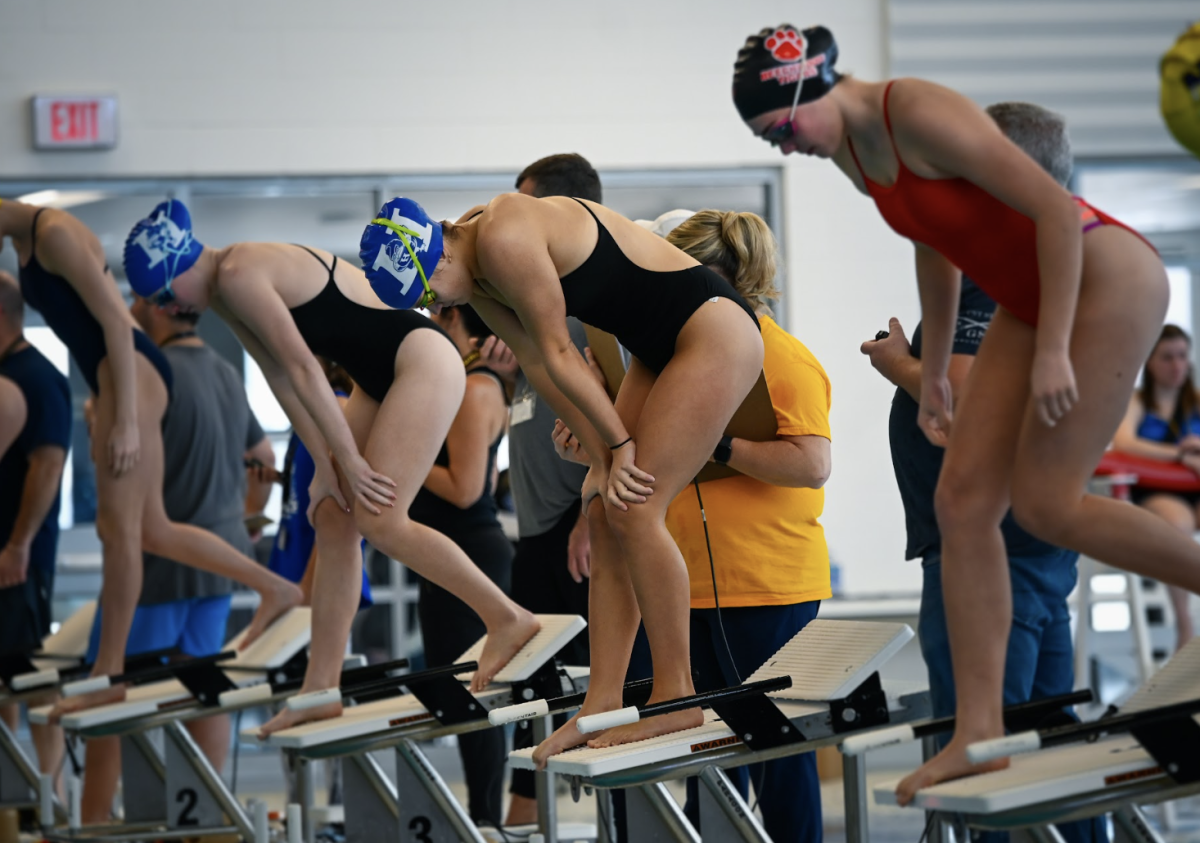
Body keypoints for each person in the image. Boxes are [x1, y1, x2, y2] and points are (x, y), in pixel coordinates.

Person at [733, 25, 1196, 801]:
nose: (783, 147)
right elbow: (935, 245)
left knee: (1048, 503)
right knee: (963, 503)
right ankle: (979, 733)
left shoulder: (912, 109)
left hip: (1099, 269)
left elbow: (1053, 209)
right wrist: (940, 368)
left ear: (812, 89)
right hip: (1026, 293)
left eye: (781, 128)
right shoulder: (857, 155)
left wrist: (1052, 351)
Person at [359, 190, 764, 764]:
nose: (432, 308)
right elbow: (538, 365)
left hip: (710, 328)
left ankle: (678, 692)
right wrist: (602, 457)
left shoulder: (503, 236)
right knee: (601, 506)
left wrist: (619, 444)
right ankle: (602, 698)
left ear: (439, 256)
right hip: (657, 346)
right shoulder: (477, 275)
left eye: (427, 293)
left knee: (637, 506)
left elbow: (561, 349)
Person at [120, 200, 539, 737]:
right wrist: (325, 463)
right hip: (378, 373)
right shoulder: (226, 289)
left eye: (163, 297)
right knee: (333, 516)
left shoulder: (239, 271)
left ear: (175, 272)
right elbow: (281, 379)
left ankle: (507, 618)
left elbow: (304, 368)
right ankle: (321, 689)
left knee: (382, 521)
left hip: (420, 358)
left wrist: (347, 460)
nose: (172, 310)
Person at [859, 97, 1107, 843]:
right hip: (1026, 533)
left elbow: (967, 410)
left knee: (988, 742)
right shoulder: (1038, 256)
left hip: (995, 542)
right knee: (1042, 729)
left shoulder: (996, 264)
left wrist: (901, 367)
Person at [555, 209, 832, 843]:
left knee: (776, 753)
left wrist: (721, 445)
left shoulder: (780, 357)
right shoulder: (665, 355)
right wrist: (594, 448)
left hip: (765, 586)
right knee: (705, 757)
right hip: (683, 588)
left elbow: (813, 464)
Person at [0, 198, 302, 722]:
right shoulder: (26, 237)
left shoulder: (55, 232)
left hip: (130, 373)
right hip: (118, 376)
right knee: (153, 530)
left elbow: (118, 324)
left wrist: (126, 421)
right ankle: (275, 587)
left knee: (119, 533)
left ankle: (107, 676)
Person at [75, 293, 278, 822]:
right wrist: (243, 519)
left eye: (140, 294)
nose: (129, 303)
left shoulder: (149, 376)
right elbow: (263, 457)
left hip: (156, 571)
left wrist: (99, 419)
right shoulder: (225, 374)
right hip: (216, 567)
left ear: (161, 307)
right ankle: (200, 821)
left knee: (109, 696)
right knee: (202, 691)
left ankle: (96, 819)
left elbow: (115, 467)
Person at [487, 153, 597, 826]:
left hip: (574, 532)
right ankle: (523, 820)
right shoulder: (534, 314)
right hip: (533, 535)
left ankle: (615, 815)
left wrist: (592, 509)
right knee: (530, 689)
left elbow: (617, 423)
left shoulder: (584, 313)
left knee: (592, 687)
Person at [410, 303, 512, 828]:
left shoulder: (475, 389)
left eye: (436, 319)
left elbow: (468, 489)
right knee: (465, 695)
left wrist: (406, 456)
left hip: (468, 552)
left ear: (455, 322)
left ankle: (485, 822)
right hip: (457, 553)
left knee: (474, 699)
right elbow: (486, 481)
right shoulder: (478, 385)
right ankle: (482, 821)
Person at [0, 270, 70, 798]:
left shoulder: (37, 377)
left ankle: (54, 794)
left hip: (18, 558)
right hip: (10, 552)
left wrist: (19, 543)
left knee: (31, 672)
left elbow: (48, 467)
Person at [1113, 324, 1200, 651]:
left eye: (1182, 356)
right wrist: (1180, 453)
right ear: (1149, 361)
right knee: (1177, 525)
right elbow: (1124, 442)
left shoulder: (1196, 400)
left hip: (1195, 487)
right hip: (1156, 491)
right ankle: (1184, 623)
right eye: (1167, 357)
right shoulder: (1137, 401)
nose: (1177, 365)